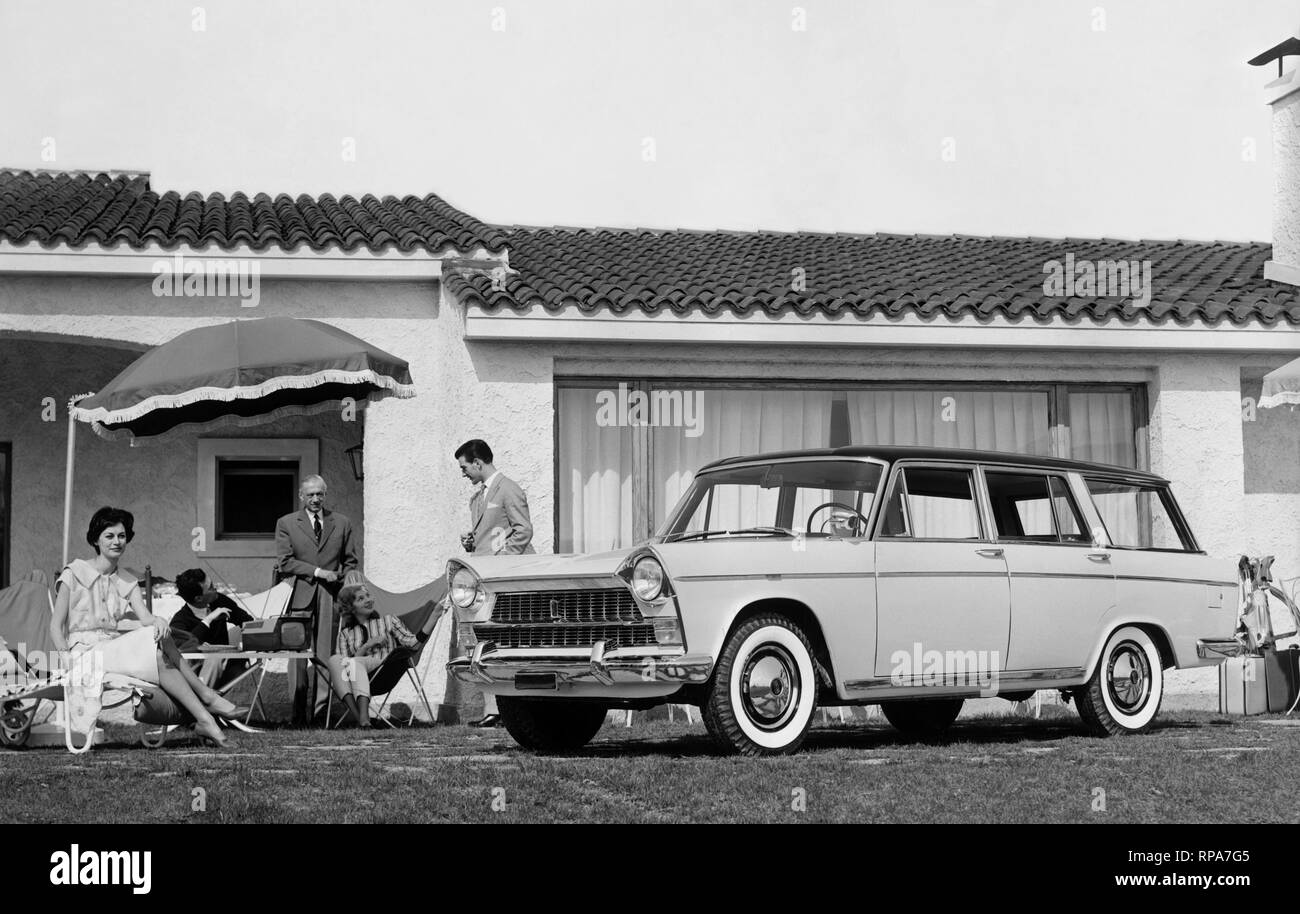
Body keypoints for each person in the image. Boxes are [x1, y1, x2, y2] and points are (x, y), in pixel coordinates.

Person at [49, 507, 244, 748]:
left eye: (121, 536)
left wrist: (159, 621)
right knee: (153, 642)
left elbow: (145, 618)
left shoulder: (127, 581)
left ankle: (205, 717)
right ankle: (207, 698)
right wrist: (66, 660)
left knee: (160, 641)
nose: (117, 541)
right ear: (96, 539)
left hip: (111, 650)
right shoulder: (74, 573)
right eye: (109, 536)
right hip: (83, 655)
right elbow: (56, 627)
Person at [455, 439, 534, 727]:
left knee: (506, 639)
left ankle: (508, 710)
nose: (463, 473)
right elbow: (492, 535)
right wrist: (471, 542)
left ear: (478, 462)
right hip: (484, 578)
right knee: (483, 640)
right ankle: (494, 710)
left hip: (507, 579)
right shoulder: (478, 498)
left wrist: (503, 561)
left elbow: (523, 531)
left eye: (465, 467)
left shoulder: (509, 488)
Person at [274, 475, 358, 723]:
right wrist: (319, 572)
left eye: (319, 494)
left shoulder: (341, 523)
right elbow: (285, 562)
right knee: (297, 656)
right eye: (310, 495)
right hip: (298, 593)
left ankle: (322, 713)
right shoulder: (287, 523)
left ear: (325, 494)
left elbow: (351, 561)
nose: (315, 499)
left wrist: (342, 579)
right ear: (301, 496)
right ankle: (297, 715)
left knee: (325, 655)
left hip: (329, 596)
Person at [328, 583, 418, 728]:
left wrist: (433, 617)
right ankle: (361, 719)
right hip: (352, 679)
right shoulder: (345, 634)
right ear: (351, 607)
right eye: (361, 598)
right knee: (334, 660)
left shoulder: (388, 621)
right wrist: (367, 645)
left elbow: (412, 642)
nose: (368, 600)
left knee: (354, 662)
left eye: (368, 596)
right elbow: (343, 664)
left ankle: (362, 718)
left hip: (383, 673)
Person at [170, 568, 253, 688]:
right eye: (211, 587)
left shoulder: (220, 601)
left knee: (222, 660)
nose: (216, 589)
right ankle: (202, 700)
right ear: (198, 598)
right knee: (212, 659)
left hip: (226, 670)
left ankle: (203, 702)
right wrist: (208, 620)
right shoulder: (180, 620)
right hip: (193, 676)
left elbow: (246, 621)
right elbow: (182, 647)